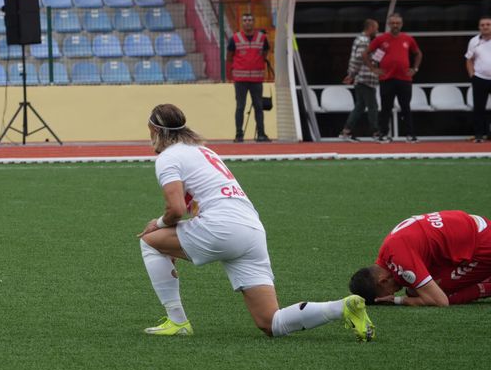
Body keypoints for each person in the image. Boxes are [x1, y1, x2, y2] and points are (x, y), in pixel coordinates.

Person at [136, 104, 372, 341]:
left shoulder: (168, 157)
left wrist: (158, 224)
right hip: (251, 229)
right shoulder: (204, 151)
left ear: (156, 130)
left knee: (149, 241)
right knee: (271, 322)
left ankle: (177, 321)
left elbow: (176, 209)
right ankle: (342, 307)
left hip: (221, 227)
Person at [349, 212, 491, 308]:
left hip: (483, 244)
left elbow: (441, 301)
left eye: (388, 293)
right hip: (472, 228)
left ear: (383, 281)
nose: (393, 293)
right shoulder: (387, 253)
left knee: (439, 294)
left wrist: (398, 300)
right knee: (417, 291)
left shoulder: (402, 262)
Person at [370, 12, 420, 142]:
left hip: (404, 79)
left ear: (402, 24)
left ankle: (410, 134)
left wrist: (415, 69)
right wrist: (373, 68)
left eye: (397, 23)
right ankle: (383, 134)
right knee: (386, 108)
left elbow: (418, 53)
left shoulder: (408, 39)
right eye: (393, 23)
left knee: (406, 107)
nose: (395, 25)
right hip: (387, 79)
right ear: (388, 24)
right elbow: (367, 54)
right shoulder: (381, 39)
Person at [225, 11, 269, 142]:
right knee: (240, 107)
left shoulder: (262, 38)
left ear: (254, 22)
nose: (247, 22)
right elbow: (229, 56)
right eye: (245, 20)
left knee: (259, 107)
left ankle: (261, 134)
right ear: (242, 23)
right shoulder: (235, 38)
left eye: (250, 20)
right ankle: (239, 135)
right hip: (240, 79)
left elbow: (265, 53)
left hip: (257, 79)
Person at [339, 19, 381, 143]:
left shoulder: (367, 40)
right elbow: (359, 58)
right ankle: (376, 132)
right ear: (370, 28)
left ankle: (346, 131)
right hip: (364, 77)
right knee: (372, 106)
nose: (377, 31)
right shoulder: (363, 41)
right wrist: (352, 74)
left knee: (360, 106)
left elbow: (373, 59)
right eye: (376, 28)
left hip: (365, 78)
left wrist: (381, 51)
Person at [465, 17, 491, 144]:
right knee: (479, 108)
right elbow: (469, 59)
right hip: (480, 78)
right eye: (482, 25)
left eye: (488, 24)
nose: (485, 27)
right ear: (479, 27)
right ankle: (479, 135)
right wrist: (473, 75)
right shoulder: (474, 41)